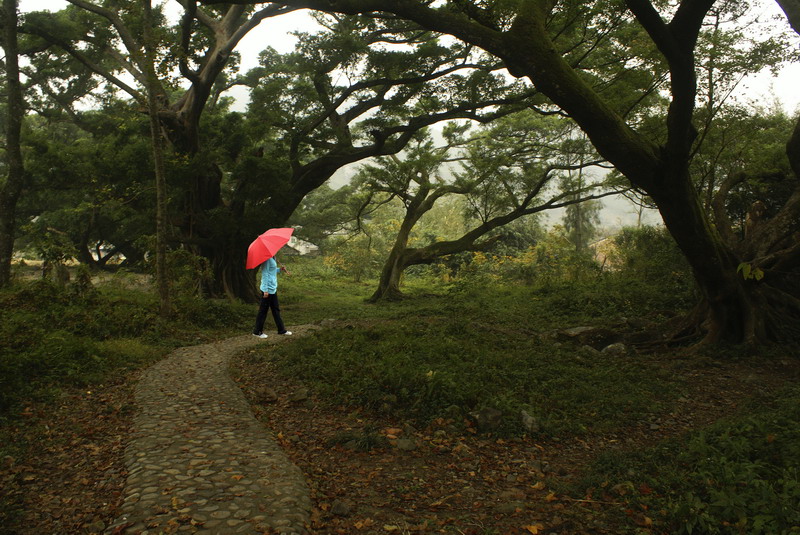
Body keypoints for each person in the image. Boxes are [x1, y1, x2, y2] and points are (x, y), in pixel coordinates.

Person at [252, 256, 292, 338]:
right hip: (267, 290)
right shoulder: (267, 259)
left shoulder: (273, 258)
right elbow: (265, 273)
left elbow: (272, 271)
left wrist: (280, 270)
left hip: (273, 289)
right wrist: (266, 290)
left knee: (276, 310)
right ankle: (257, 332)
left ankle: (281, 330)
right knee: (263, 311)